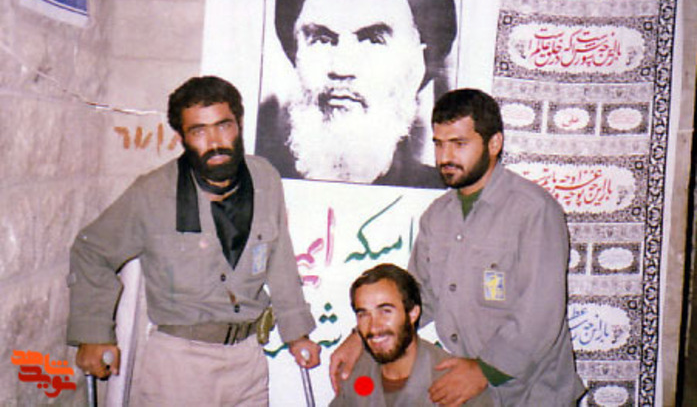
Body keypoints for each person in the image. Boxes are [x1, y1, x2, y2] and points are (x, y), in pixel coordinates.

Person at [67, 76, 320, 405]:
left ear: (239, 125)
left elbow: (280, 259)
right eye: (199, 131)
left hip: (247, 360)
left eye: (223, 126)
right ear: (182, 138)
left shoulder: (265, 179)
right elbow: (92, 250)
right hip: (179, 365)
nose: (215, 142)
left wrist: (297, 333)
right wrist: (93, 333)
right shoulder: (152, 193)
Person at [331, 89, 586, 406]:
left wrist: (483, 371)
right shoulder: (437, 216)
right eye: (439, 144)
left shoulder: (533, 210)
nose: (444, 157)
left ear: (494, 144)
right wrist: (360, 338)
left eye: (458, 144)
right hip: (472, 392)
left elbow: (540, 314)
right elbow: (416, 298)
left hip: (532, 393)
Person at [255, 0, 457, 188]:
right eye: (321, 39)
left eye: (372, 40)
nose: (341, 68)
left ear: (416, 66)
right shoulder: (260, 189)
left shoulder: (447, 197)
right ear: (297, 55)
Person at [331, 264, 492, 406]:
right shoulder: (355, 372)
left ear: (413, 313)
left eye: (385, 311)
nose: (373, 327)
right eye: (363, 314)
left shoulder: (456, 383)